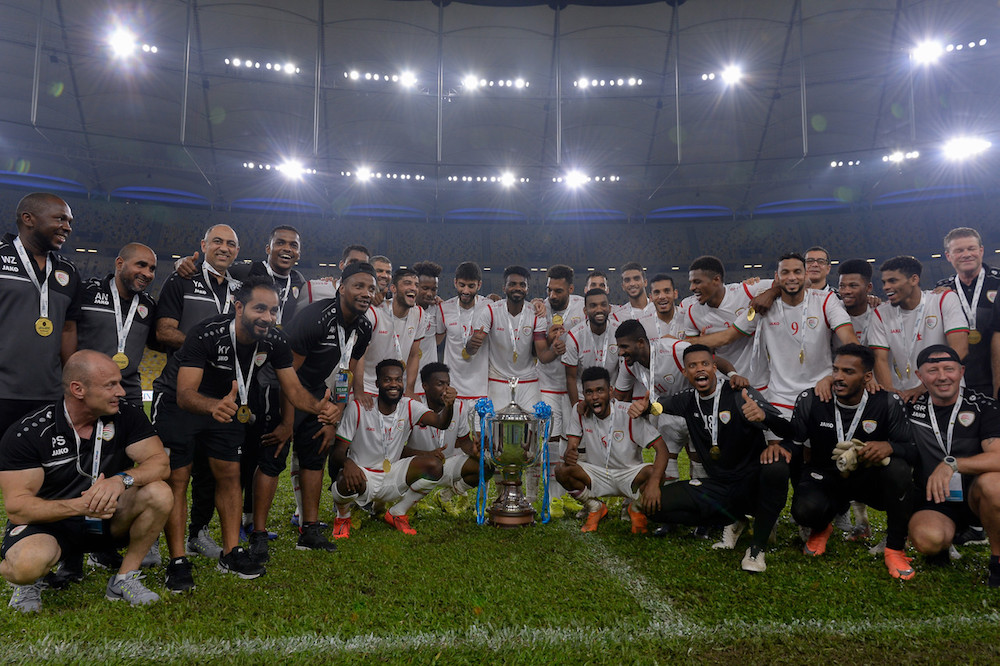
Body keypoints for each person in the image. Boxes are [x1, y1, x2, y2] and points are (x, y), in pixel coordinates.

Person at [157, 277, 340, 589]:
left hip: (227, 405)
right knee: (179, 478)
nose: (267, 317)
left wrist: (322, 409)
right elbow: (185, 393)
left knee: (229, 474)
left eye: (273, 310)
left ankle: (232, 552)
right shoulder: (207, 332)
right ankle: (177, 561)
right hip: (182, 405)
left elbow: (294, 390)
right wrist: (212, 405)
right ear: (238, 307)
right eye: (260, 309)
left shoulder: (275, 341)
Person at [0, 350, 171, 612]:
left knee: (159, 493)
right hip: (51, 526)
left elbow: (160, 462)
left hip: (107, 519)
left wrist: (121, 480)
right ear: (78, 389)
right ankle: (29, 583)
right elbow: (17, 508)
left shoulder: (127, 415)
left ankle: (124, 578)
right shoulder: (29, 433)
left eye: (120, 382)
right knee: (25, 566)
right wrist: (82, 507)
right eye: (110, 385)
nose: (122, 392)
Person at [643, 345, 795, 573]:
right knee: (655, 508)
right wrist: (644, 408)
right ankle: (734, 519)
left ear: (715, 367)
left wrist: (764, 417)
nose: (699, 370)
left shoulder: (740, 393)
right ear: (685, 373)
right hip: (721, 487)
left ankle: (756, 549)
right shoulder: (687, 399)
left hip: (752, 483)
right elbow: (659, 406)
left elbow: (787, 428)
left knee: (777, 468)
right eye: (692, 366)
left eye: (704, 364)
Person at [786, 344, 918, 579]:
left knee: (897, 468)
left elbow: (911, 449)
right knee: (804, 509)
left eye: (848, 372)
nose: (838, 377)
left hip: (867, 478)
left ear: (867, 377)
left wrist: (890, 446)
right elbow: (795, 450)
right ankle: (820, 526)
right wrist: (801, 492)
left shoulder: (887, 402)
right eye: (835, 370)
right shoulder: (811, 398)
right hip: (825, 476)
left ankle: (895, 548)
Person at [153, 224, 242, 563]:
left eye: (231, 244)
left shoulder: (240, 286)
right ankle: (160, 543)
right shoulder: (181, 281)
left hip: (220, 395)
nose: (224, 248)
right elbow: (164, 331)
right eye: (217, 241)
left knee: (211, 473)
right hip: (180, 389)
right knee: (177, 474)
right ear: (202, 245)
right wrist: (208, 347)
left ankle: (198, 533)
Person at [275, 262, 376, 553]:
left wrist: (337, 414)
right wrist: (286, 424)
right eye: (359, 286)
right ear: (341, 288)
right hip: (280, 387)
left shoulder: (363, 327)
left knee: (315, 453)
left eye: (371, 288)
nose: (366, 293)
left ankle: (309, 529)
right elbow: (288, 375)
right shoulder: (315, 318)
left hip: (316, 389)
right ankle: (256, 532)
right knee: (273, 457)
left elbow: (346, 371)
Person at [905, 345, 1000, 585]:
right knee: (928, 540)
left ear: (961, 371)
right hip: (935, 499)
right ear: (920, 376)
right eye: (933, 370)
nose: (942, 377)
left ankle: (998, 562)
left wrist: (953, 464)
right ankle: (942, 546)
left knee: (994, 485)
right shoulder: (910, 407)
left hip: (976, 496)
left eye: (949, 369)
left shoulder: (983, 406)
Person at [331, 359, 455, 538]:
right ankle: (343, 517)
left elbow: (441, 423)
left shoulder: (409, 406)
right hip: (364, 476)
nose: (394, 384)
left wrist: (449, 405)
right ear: (377, 384)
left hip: (393, 474)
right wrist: (348, 462)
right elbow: (337, 452)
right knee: (343, 479)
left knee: (434, 466)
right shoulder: (358, 408)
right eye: (387, 380)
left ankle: (398, 512)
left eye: (398, 380)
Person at [0, 192, 82, 436]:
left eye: (69, 222)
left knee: (40, 470)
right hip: (2, 392)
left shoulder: (68, 271)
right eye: (60, 219)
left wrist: (70, 383)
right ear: (28, 218)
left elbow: (68, 328)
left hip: (48, 395)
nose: (66, 227)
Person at [558, 366, 668, 533]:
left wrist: (653, 483)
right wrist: (570, 453)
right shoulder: (579, 411)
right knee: (561, 470)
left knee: (656, 473)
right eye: (589, 392)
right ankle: (595, 507)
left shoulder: (629, 413)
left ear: (610, 391)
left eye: (600, 390)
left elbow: (662, 449)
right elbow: (571, 446)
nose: (594, 397)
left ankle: (636, 509)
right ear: (584, 394)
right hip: (597, 473)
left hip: (629, 473)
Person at [869, 255, 969, 402]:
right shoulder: (880, 313)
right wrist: (890, 395)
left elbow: (960, 348)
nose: (885, 287)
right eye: (884, 282)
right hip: (906, 396)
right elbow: (880, 359)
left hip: (946, 392)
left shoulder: (943, 299)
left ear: (914, 280)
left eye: (893, 281)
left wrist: (923, 387)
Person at [465, 265, 560, 412]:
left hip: (528, 379)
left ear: (527, 289)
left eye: (522, 285)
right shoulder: (490, 311)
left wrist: (554, 350)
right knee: (496, 427)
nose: (517, 288)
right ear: (504, 288)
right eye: (512, 284)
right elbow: (471, 351)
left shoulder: (536, 314)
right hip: (498, 378)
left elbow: (542, 355)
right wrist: (472, 343)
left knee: (534, 427)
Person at [77, 244, 158, 407]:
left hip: (129, 393)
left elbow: (159, 342)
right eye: (141, 265)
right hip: (87, 390)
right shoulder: (86, 292)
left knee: (143, 433)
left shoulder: (149, 306)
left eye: (152, 269)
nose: (147, 273)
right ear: (120, 263)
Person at [536, 264, 585, 515]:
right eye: (549, 290)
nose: (553, 296)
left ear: (571, 289)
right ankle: (553, 497)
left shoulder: (582, 307)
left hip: (574, 385)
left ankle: (568, 493)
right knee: (551, 440)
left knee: (572, 440)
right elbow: (541, 354)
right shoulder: (539, 308)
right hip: (546, 384)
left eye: (558, 291)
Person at [682, 256, 771, 392]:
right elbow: (693, 352)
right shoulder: (692, 313)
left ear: (716, 280)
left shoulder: (747, 291)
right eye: (691, 282)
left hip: (759, 384)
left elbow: (797, 283)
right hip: (722, 386)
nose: (692, 287)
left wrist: (771, 292)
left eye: (697, 282)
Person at [404, 363, 481, 514]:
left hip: (446, 466)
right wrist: (426, 455)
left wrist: (474, 450)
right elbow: (398, 450)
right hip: (418, 466)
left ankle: (445, 496)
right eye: (440, 384)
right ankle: (411, 501)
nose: (446, 389)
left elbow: (464, 441)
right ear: (425, 386)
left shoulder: (458, 407)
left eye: (448, 384)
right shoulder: (413, 407)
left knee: (484, 465)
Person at [933, 228, 1000, 397]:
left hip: (996, 376)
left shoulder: (998, 282)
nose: (966, 254)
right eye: (959, 250)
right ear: (948, 256)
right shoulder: (942, 290)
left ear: (981, 250)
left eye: (971, 248)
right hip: (959, 380)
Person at [360, 267, 424, 399]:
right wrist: (359, 391)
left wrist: (410, 390)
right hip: (368, 388)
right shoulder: (374, 312)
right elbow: (358, 355)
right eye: (407, 283)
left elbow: (413, 356)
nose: (413, 288)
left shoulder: (419, 314)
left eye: (416, 285)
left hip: (396, 390)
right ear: (393, 288)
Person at [436, 261, 490, 412]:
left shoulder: (490, 307)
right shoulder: (444, 308)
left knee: (480, 436)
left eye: (471, 286)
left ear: (479, 285)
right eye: (461, 285)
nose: (465, 290)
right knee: (452, 435)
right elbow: (434, 342)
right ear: (455, 283)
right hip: (453, 390)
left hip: (481, 391)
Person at [564, 289, 620, 405]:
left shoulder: (619, 332)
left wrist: (617, 402)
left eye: (603, 305)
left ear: (609, 308)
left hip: (612, 397)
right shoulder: (574, 336)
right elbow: (571, 378)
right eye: (593, 306)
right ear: (585, 311)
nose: (599, 309)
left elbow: (624, 374)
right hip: (584, 398)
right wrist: (577, 407)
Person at [412, 260, 443, 394]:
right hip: (406, 380)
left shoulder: (438, 309)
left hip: (429, 383)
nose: (430, 293)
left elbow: (438, 339)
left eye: (434, 289)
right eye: (425, 288)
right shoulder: (404, 309)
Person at [836, 259, 877, 347]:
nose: (846, 291)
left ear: (869, 287)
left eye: (853, 286)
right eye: (842, 286)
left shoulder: (880, 314)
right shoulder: (832, 310)